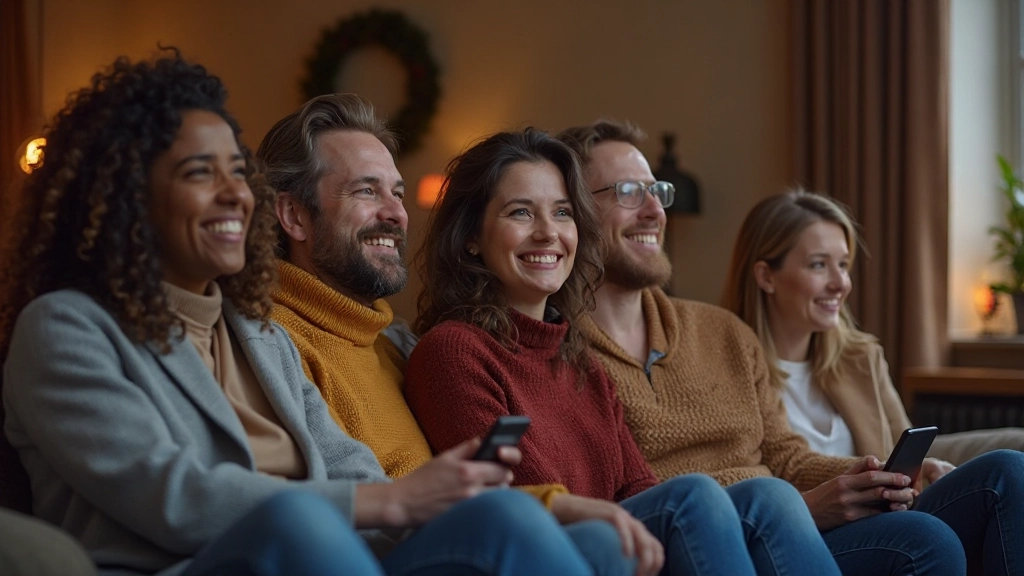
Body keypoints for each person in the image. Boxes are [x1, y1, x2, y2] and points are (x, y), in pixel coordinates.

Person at [0, 52, 612, 576]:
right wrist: (388, 503)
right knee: (296, 517)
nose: (236, 194)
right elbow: (173, 496)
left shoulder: (254, 331)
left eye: (237, 174)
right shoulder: (65, 328)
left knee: (525, 522)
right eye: (199, 173)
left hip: (322, 550)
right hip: (187, 562)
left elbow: (350, 465)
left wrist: (466, 500)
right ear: (129, 195)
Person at [554, 119, 1018, 575]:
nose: (655, 211)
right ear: (572, 211)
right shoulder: (560, 354)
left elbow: (785, 455)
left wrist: (864, 474)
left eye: (657, 192)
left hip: (787, 522)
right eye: (629, 193)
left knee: (1005, 473)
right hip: (710, 534)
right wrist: (801, 505)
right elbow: (622, 495)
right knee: (912, 537)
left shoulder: (724, 332)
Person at [404, 128, 843, 576]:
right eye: (520, 213)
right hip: (557, 549)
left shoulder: (575, 354)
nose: (547, 233)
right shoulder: (455, 351)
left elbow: (639, 484)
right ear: (470, 236)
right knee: (696, 496)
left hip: (627, 541)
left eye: (562, 213)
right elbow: (518, 505)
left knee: (770, 496)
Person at [257, 92, 637, 576]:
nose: (396, 213)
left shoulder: (392, 343)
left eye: (397, 192)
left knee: (632, 532)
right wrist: (549, 506)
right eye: (366, 191)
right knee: (524, 519)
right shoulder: (272, 339)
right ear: (293, 216)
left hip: (465, 538)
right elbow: (344, 507)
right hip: (387, 556)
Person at [721, 189, 1024, 468]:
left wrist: (925, 470)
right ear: (766, 277)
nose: (841, 283)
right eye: (818, 265)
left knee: (1009, 463)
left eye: (842, 264)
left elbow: (905, 451)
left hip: (886, 517)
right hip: (807, 524)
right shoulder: (728, 371)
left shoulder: (861, 357)